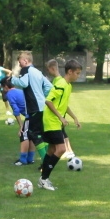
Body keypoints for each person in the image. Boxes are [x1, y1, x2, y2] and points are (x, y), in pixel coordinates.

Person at [38, 59, 82, 191]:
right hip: (51, 121)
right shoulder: (61, 84)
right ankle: (44, 179)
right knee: (61, 149)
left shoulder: (68, 86)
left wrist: (74, 117)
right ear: (70, 72)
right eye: (77, 73)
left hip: (56, 121)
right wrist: (60, 117)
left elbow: (63, 104)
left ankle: (43, 179)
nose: (78, 76)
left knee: (52, 150)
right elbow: (48, 101)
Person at [11, 51, 52, 167]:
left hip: (33, 107)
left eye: (20, 62)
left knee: (34, 134)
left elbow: (23, 83)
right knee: (39, 134)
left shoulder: (26, 70)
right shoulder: (37, 71)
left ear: (25, 61)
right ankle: (39, 159)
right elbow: (49, 86)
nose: (19, 65)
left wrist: (12, 80)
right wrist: (41, 96)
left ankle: (45, 162)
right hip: (42, 106)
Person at [5, 80, 31, 162]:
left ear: (5, 86)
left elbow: (16, 111)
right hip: (36, 113)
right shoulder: (20, 91)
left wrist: (21, 126)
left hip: (30, 115)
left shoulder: (9, 94)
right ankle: (30, 159)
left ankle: (23, 160)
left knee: (23, 135)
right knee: (32, 135)